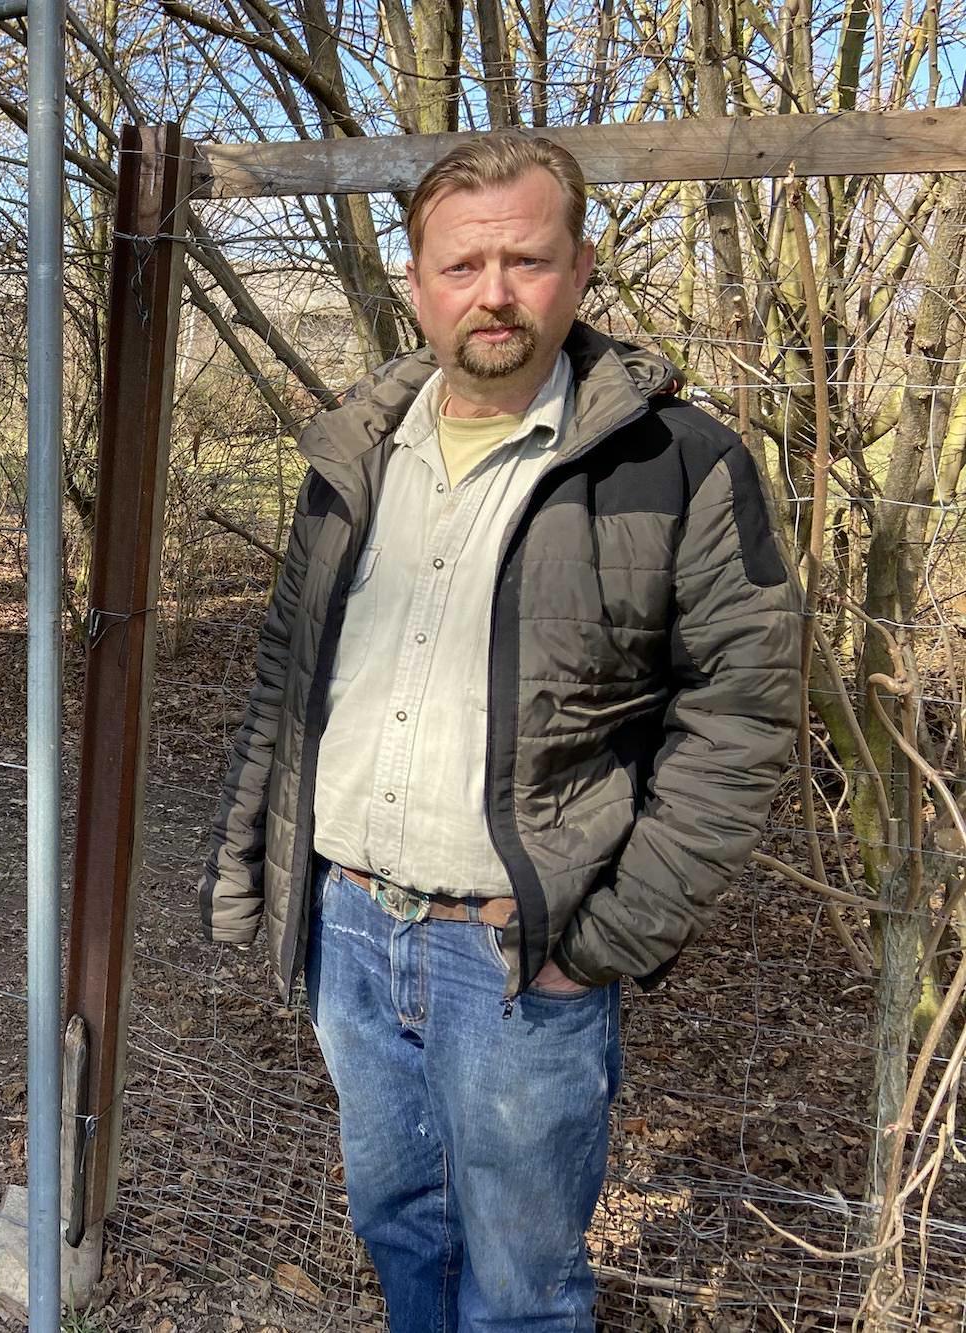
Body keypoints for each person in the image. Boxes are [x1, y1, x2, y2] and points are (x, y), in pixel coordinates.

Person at [198, 133, 802, 1329]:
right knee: (398, 1227)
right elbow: (289, 680)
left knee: (524, 1288)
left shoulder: (675, 465)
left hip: (518, 958)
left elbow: (741, 719)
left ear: (579, 269)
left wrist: (609, 936)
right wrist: (251, 871)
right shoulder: (353, 455)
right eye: (463, 263)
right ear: (415, 279)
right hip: (352, 926)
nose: (494, 292)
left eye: (526, 260)